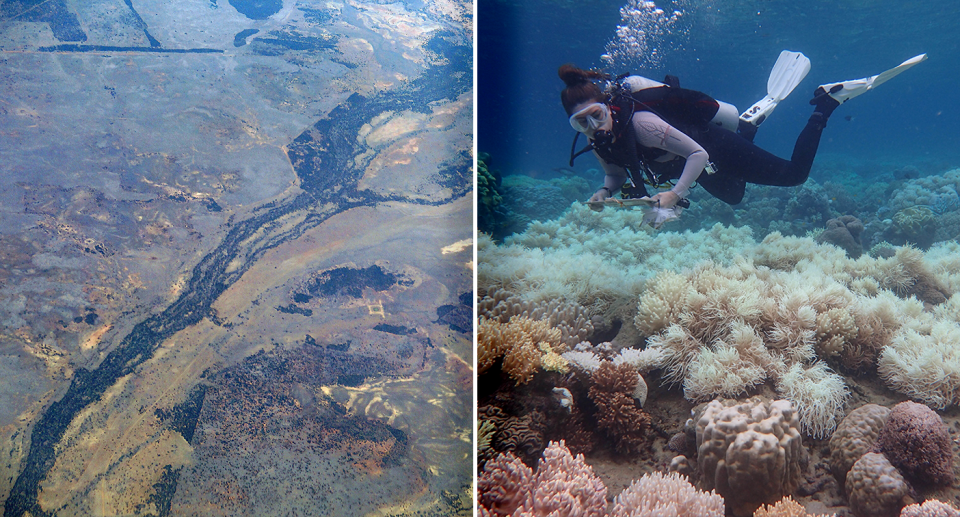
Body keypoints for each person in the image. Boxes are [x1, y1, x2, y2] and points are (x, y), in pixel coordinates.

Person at [558, 55, 925, 221]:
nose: (593, 127)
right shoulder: (600, 142)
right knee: (734, 196)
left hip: (708, 146)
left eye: (597, 116)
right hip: (692, 163)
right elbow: (615, 175)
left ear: (608, 106)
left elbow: (698, 155)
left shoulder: (641, 126)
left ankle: (826, 103)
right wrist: (604, 192)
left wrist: (674, 194)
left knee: (795, 175)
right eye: (581, 124)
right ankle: (749, 125)